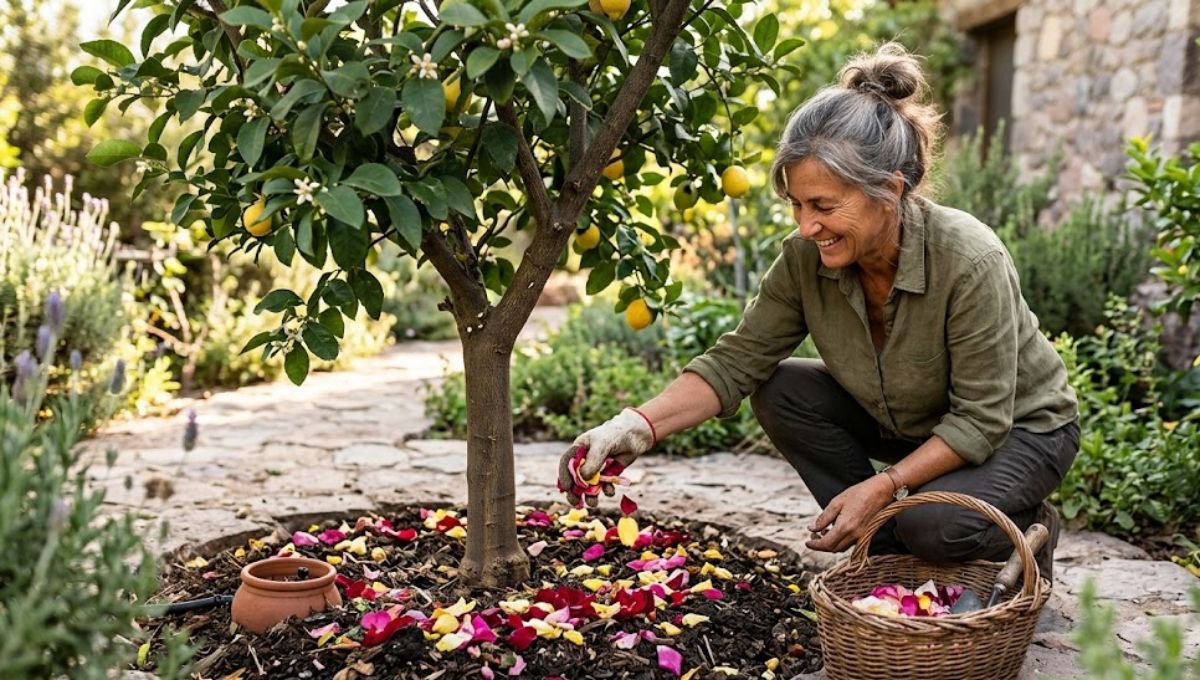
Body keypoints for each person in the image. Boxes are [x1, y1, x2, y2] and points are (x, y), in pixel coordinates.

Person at [557, 43, 1079, 578]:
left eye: (824, 206)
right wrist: (635, 426)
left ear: (889, 191)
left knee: (936, 526)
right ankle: (886, 549)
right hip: (918, 421)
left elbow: (980, 419)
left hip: (1021, 430)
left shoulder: (968, 259)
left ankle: (1025, 526)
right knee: (782, 388)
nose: (807, 227)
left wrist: (882, 487)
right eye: (797, 205)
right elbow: (736, 362)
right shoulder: (805, 258)